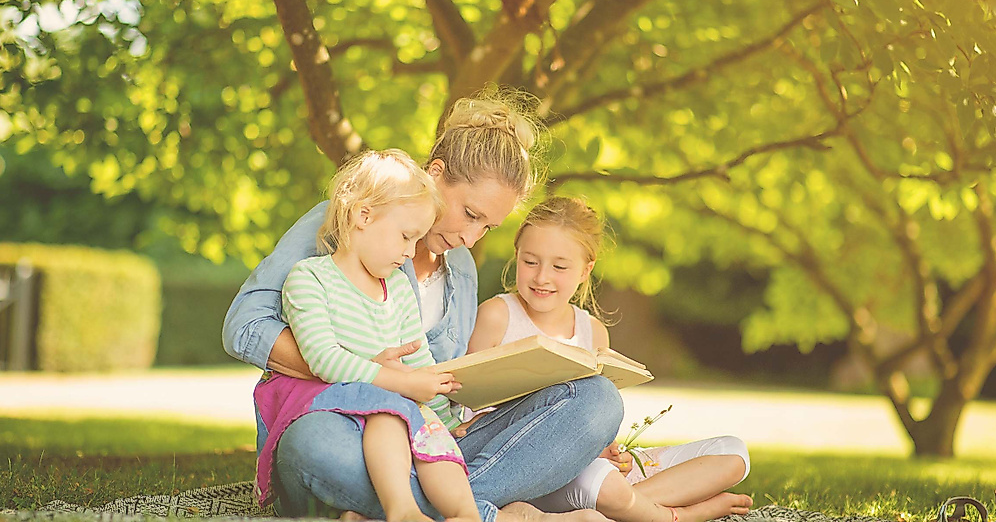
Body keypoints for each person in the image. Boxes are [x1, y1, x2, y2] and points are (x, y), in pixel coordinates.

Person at [222, 86, 623, 522]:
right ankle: (478, 511)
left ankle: (412, 508)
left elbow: (437, 378)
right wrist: (368, 373)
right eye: (470, 214)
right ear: (436, 174)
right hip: (346, 425)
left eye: (488, 228)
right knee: (313, 444)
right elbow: (245, 326)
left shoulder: (462, 267)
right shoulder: (345, 220)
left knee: (597, 399)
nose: (470, 238)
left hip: (429, 439)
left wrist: (477, 411)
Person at [466, 197, 753, 522]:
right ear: (517, 256)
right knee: (603, 483)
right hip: (525, 467)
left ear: (585, 270)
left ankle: (626, 506)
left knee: (733, 453)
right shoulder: (497, 315)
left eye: (559, 267)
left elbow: (595, 422)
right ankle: (676, 515)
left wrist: (609, 451)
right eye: (530, 262)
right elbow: (468, 408)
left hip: (586, 469)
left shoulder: (593, 331)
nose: (542, 277)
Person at [255, 149, 476, 522]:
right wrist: (401, 383)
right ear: (363, 216)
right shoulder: (310, 279)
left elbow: (419, 362)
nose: (410, 253)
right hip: (335, 417)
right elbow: (323, 359)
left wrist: (448, 419)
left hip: (391, 423)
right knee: (388, 411)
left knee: (431, 433)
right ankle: (402, 511)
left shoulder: (398, 289)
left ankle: (467, 514)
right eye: (406, 237)